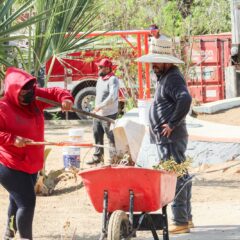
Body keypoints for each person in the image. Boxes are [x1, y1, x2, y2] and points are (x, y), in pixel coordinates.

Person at [0, 67, 73, 240]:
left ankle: (9, 234)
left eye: (30, 87)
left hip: (31, 163)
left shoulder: (34, 97)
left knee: (15, 200)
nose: (28, 93)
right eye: (23, 90)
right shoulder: (3, 107)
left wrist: (66, 98)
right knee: (27, 202)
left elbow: (55, 92)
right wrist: (11, 139)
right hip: (10, 164)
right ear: (12, 90)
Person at [136, 50, 193, 234]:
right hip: (169, 138)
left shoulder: (173, 77)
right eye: (153, 63)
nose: (154, 66)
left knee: (174, 176)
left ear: (167, 62)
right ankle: (186, 218)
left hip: (170, 138)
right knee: (181, 175)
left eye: (157, 62)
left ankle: (180, 220)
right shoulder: (166, 76)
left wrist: (171, 123)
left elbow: (185, 98)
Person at [86, 58, 119, 165]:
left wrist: (100, 106)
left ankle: (113, 159)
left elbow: (112, 97)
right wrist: (96, 107)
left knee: (111, 137)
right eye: (98, 66)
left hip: (108, 114)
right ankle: (98, 157)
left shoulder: (113, 79)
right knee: (97, 135)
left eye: (100, 67)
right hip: (98, 114)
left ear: (107, 68)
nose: (98, 68)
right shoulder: (100, 79)